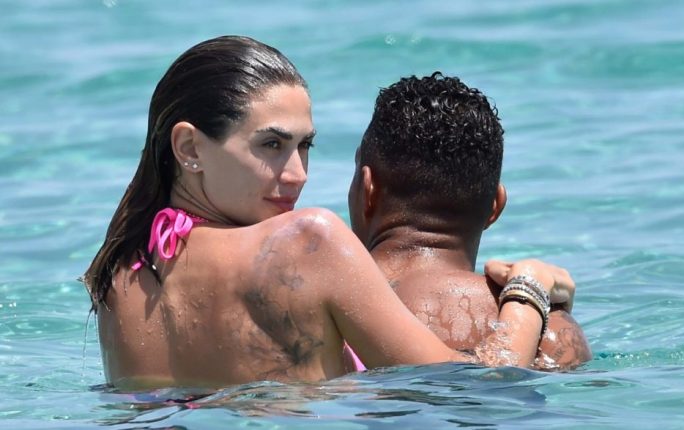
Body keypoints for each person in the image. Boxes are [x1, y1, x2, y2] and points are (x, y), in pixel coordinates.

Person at [83, 36, 574, 390]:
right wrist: (527, 289)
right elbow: (479, 386)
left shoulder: (119, 275)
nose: (298, 174)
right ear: (190, 148)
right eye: (271, 145)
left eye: (305, 146)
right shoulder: (307, 241)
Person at [347, 73, 591, 370]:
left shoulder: (318, 304)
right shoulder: (547, 328)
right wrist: (530, 290)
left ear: (367, 189)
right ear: (495, 206)